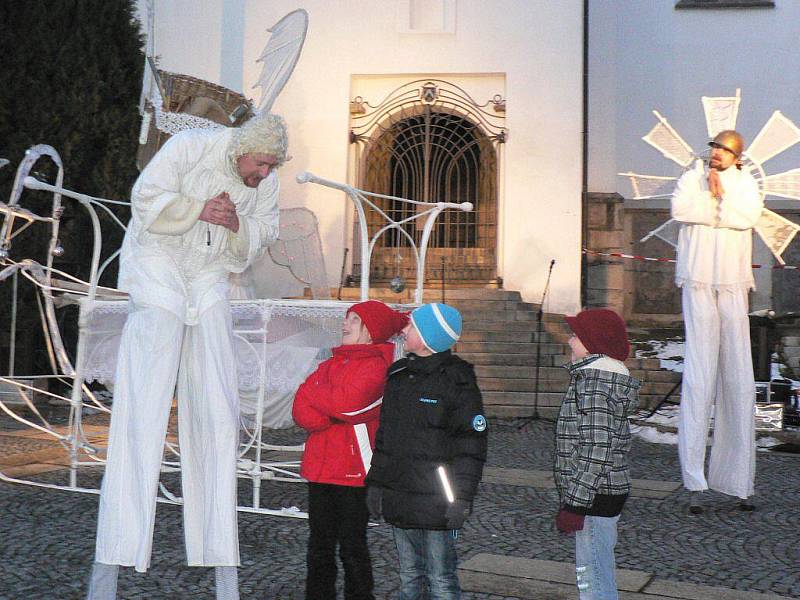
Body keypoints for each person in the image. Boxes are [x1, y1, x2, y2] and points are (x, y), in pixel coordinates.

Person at [86, 114, 288, 600]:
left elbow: (265, 231)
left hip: (209, 274)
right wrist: (199, 209)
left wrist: (237, 222)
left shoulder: (266, 181)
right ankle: (112, 559)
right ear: (244, 150)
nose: (263, 174)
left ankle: (222, 564)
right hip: (159, 264)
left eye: (269, 167)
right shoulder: (191, 147)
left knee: (217, 409)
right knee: (143, 405)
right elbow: (145, 196)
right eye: (261, 164)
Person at [365, 303, 487, 600]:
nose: (403, 330)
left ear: (430, 337)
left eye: (411, 326)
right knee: (409, 577)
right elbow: (385, 437)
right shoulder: (398, 375)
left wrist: (462, 499)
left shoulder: (457, 381)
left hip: (438, 500)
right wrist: (376, 483)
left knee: (440, 578)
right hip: (399, 493)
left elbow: (471, 446)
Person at [671, 130, 763, 513]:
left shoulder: (746, 185)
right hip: (697, 282)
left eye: (723, 151)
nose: (716, 156)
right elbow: (680, 209)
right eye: (714, 149)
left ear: (736, 157)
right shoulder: (691, 176)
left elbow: (748, 216)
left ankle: (739, 481)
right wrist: (709, 197)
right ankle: (694, 480)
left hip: (731, 284)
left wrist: (715, 198)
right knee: (699, 376)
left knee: (738, 377)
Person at [292, 300, 408, 600]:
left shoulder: (376, 368)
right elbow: (301, 407)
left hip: (353, 475)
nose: (345, 323)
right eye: (347, 317)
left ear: (371, 332)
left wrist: (322, 401)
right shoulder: (331, 362)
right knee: (319, 547)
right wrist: (328, 411)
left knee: (352, 547)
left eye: (354, 320)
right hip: (320, 471)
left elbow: (349, 405)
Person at [554, 308, 640, 600]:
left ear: (594, 343)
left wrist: (575, 505)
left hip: (594, 496)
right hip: (600, 492)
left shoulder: (594, 383)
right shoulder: (597, 379)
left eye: (576, 335)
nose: (569, 341)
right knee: (594, 569)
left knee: (594, 575)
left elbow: (597, 448)